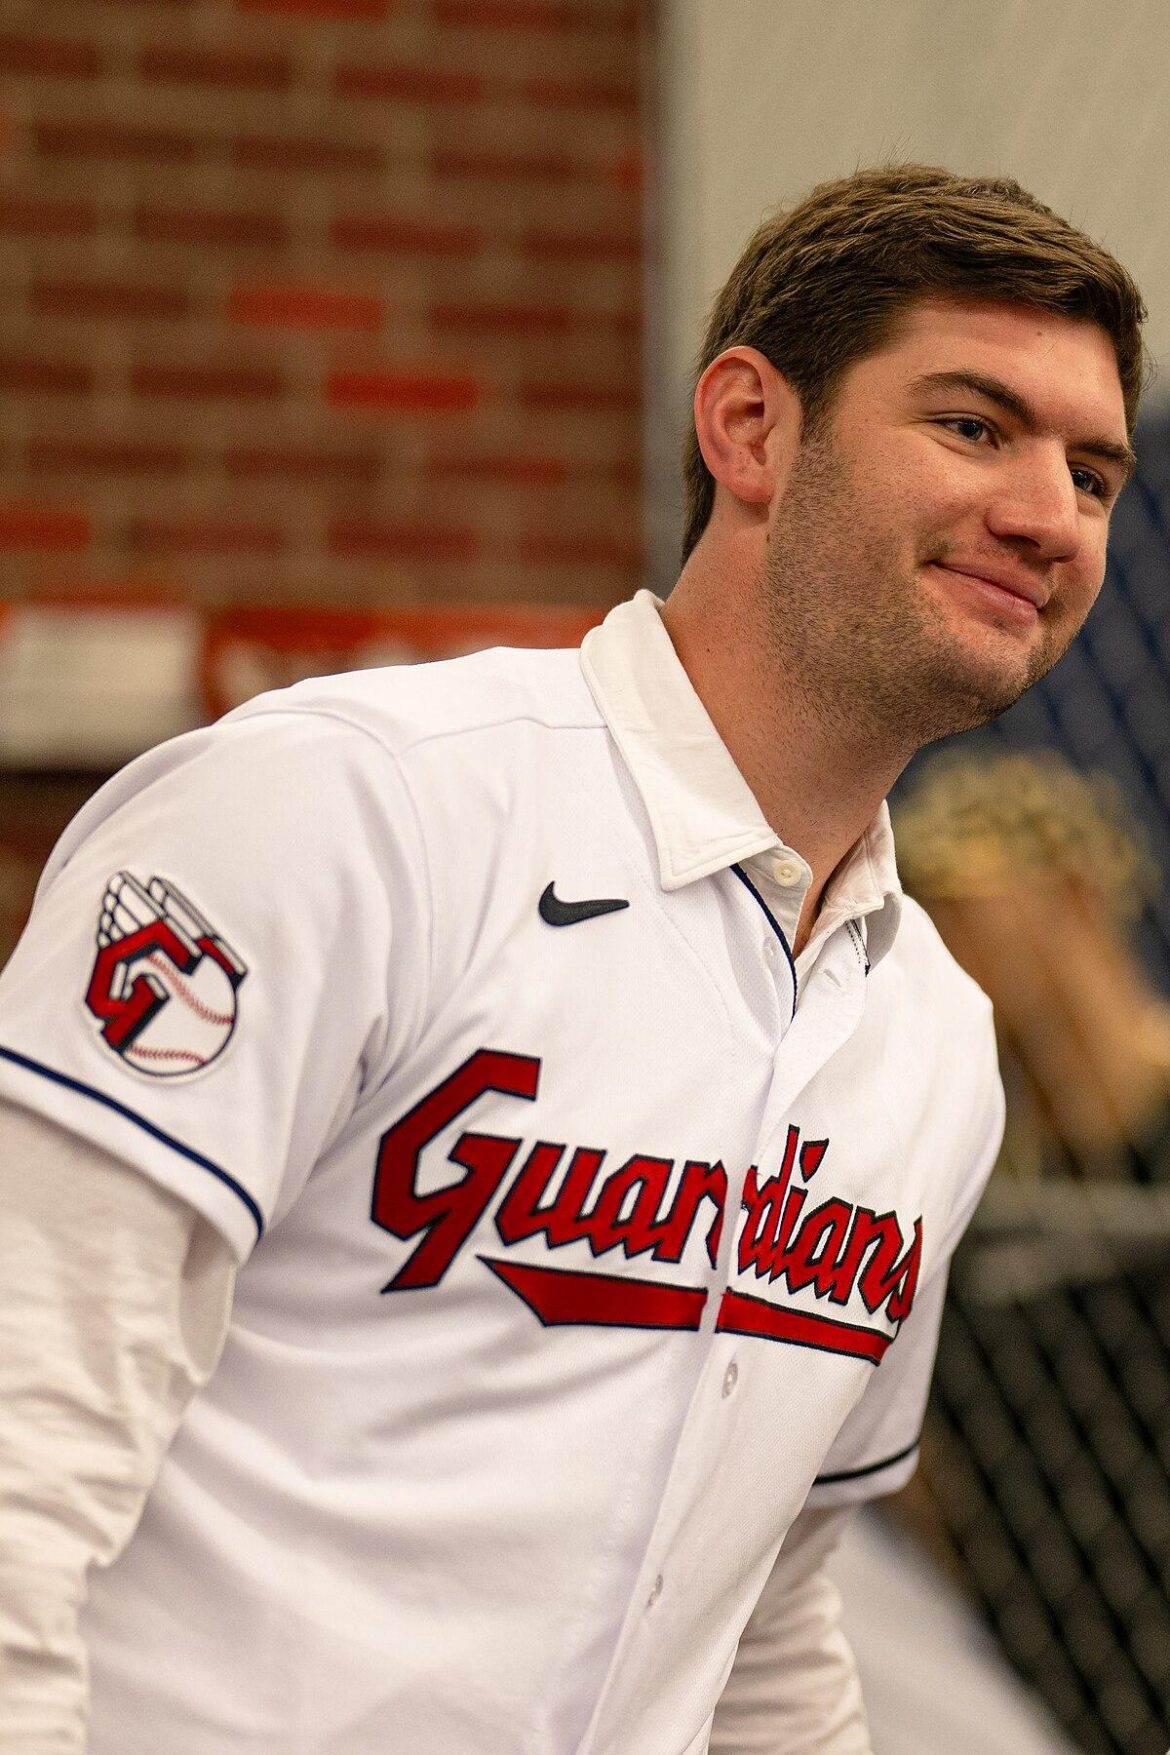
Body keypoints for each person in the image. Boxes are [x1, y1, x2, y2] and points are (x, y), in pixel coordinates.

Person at [0, 164, 1145, 1755]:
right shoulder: (353, 806)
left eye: (1092, 473)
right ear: (748, 428)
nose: (1046, 515)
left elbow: (765, 1613)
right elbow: (25, 1419)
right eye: (971, 426)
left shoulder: (932, 1036)